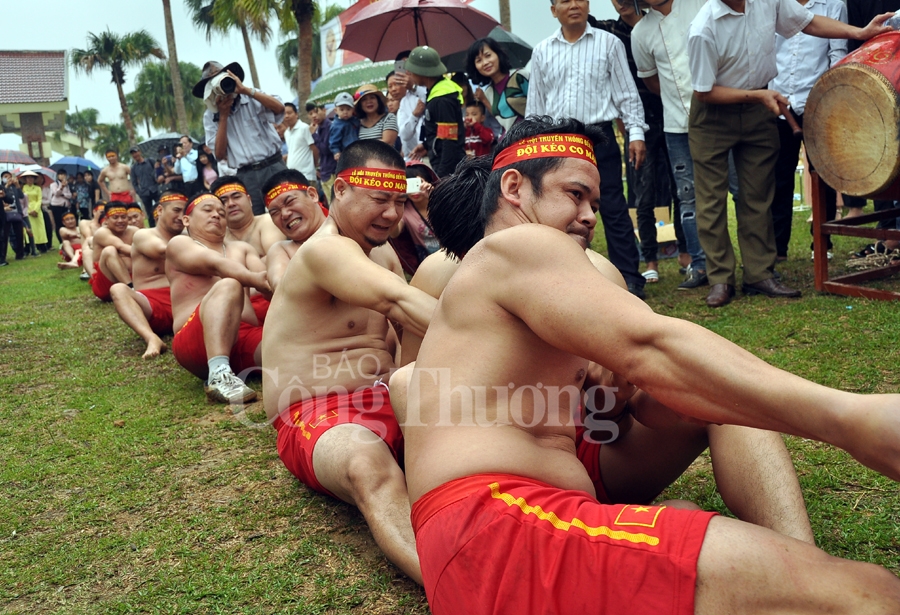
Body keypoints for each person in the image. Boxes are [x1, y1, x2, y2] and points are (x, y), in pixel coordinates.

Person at [396, 117, 900, 615]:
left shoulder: (557, 272)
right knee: (865, 592)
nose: (590, 215)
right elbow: (654, 348)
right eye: (574, 194)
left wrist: (620, 393)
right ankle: (805, 574)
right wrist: (849, 420)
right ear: (514, 187)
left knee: (689, 511)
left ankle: (798, 566)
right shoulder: (515, 246)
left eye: (594, 200)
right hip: (501, 529)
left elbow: (650, 396)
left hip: (510, 531)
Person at [260, 139, 435, 584]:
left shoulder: (382, 251)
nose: (393, 214)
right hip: (318, 412)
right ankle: (449, 589)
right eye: (379, 200)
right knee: (365, 463)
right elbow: (404, 301)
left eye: (399, 201)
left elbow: (410, 326)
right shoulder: (322, 251)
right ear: (340, 190)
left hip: (388, 396)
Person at [687, 0, 891, 307]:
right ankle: (720, 278)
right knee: (711, 199)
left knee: (758, 194)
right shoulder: (703, 27)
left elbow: (808, 22)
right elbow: (704, 90)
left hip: (759, 105)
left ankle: (759, 274)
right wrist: (758, 95)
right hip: (715, 111)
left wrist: (860, 32)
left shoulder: (767, 1)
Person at [526, 0, 648, 299]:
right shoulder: (542, 50)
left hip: (598, 138)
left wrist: (636, 133)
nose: (574, 5)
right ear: (554, 10)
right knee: (560, 211)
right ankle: (568, 277)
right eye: (564, 0)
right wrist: (533, 145)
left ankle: (629, 278)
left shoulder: (609, 43)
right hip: (557, 141)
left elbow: (626, 94)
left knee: (613, 207)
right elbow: (536, 106)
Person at [632, 0, 716, 292]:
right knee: (687, 197)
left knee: (739, 189)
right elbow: (654, 82)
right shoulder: (641, 32)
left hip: (720, 114)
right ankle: (700, 264)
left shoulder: (700, 5)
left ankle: (751, 266)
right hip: (676, 124)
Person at [166, 192, 271, 402]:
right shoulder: (179, 244)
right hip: (196, 338)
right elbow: (216, 264)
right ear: (186, 220)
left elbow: (267, 283)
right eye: (208, 210)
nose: (216, 215)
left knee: (287, 351)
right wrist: (257, 279)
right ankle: (218, 373)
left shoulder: (242, 249)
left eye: (221, 213)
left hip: (244, 336)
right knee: (230, 284)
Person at [770, 0, 847, 261]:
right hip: (780, 102)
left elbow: (837, 54)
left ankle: (822, 243)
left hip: (818, 102)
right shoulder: (774, 3)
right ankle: (778, 248)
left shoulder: (833, 4)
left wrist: (828, 97)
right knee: (779, 177)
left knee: (822, 175)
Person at [194, 61, 287, 216]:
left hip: (273, 165)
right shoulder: (210, 116)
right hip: (246, 175)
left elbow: (279, 109)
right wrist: (223, 116)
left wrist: (245, 90)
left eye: (224, 79)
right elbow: (219, 154)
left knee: (286, 208)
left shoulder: (251, 97)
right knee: (254, 219)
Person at [111, 191, 186, 359]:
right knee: (118, 290)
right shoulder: (144, 235)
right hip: (153, 304)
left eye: (185, 212)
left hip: (185, 302)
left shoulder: (188, 236)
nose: (181, 216)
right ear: (160, 210)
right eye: (176, 210)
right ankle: (151, 338)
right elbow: (162, 251)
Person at [261, 169, 330, 290]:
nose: (285, 214)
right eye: (275, 212)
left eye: (290, 202)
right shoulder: (282, 250)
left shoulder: (347, 228)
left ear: (312, 195)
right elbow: (282, 288)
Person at [405, 46, 466, 178]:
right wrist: (426, 145)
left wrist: (442, 177)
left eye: (412, 70)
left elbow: (449, 141)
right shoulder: (437, 92)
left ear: (422, 72)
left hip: (450, 169)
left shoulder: (441, 100)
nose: (409, 74)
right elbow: (441, 132)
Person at [467, 37, 529, 136]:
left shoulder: (520, 76)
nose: (485, 63)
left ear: (498, 54)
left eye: (488, 56)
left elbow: (540, 106)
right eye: (479, 60)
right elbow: (501, 118)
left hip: (532, 141)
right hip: (508, 144)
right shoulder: (488, 92)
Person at [209, 176, 285, 257]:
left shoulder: (267, 221)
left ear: (249, 200)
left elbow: (276, 257)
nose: (231, 204)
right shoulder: (218, 237)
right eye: (224, 201)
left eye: (236, 197)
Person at [390, 163, 440, 275]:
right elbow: (394, 233)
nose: (414, 192)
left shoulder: (441, 201)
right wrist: (394, 202)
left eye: (418, 183)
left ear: (428, 182)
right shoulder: (405, 210)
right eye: (409, 185)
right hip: (428, 265)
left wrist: (436, 196)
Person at [91, 201, 138, 302]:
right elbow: (121, 247)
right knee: (109, 250)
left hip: (136, 278)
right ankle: (131, 289)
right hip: (106, 285)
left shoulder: (134, 231)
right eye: (115, 217)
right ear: (107, 219)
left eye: (124, 217)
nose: (120, 220)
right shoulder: (102, 233)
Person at [354, 84, 399, 148]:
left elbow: (388, 143)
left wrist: (362, 147)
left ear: (378, 101)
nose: (369, 101)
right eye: (364, 99)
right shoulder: (357, 123)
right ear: (360, 105)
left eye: (372, 97)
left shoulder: (389, 118)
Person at [308, 102, 337, 199]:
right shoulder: (319, 128)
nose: (314, 115)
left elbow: (326, 149)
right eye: (310, 113)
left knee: (335, 204)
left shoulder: (329, 126)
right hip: (325, 171)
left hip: (331, 171)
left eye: (316, 111)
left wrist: (314, 135)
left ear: (324, 110)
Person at [283, 103, 318, 181]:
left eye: (289, 113)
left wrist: (313, 166)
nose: (286, 116)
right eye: (284, 114)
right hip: (292, 177)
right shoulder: (286, 133)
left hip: (307, 176)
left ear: (296, 114)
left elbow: (314, 149)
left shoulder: (304, 128)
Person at [130, 147, 159, 228]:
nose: (135, 155)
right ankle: (152, 229)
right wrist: (139, 192)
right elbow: (134, 182)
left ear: (140, 152)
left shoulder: (150, 161)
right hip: (144, 193)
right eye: (133, 153)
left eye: (136, 152)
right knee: (149, 213)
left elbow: (158, 172)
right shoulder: (134, 168)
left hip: (155, 190)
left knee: (160, 209)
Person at [20, 172, 48, 254]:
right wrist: (29, 210)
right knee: (29, 228)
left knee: (40, 228)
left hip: (37, 210)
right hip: (27, 210)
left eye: (32, 178)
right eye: (28, 178)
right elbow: (22, 200)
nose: (30, 179)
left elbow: (39, 199)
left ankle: (42, 245)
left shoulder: (37, 188)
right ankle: (29, 246)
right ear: (25, 179)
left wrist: (35, 210)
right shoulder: (23, 188)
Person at [328, 92, 360, 162]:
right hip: (346, 154)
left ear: (353, 110)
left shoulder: (355, 120)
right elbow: (333, 141)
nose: (345, 112)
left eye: (348, 109)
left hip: (359, 151)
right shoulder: (336, 126)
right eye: (342, 109)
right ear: (336, 110)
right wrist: (336, 152)